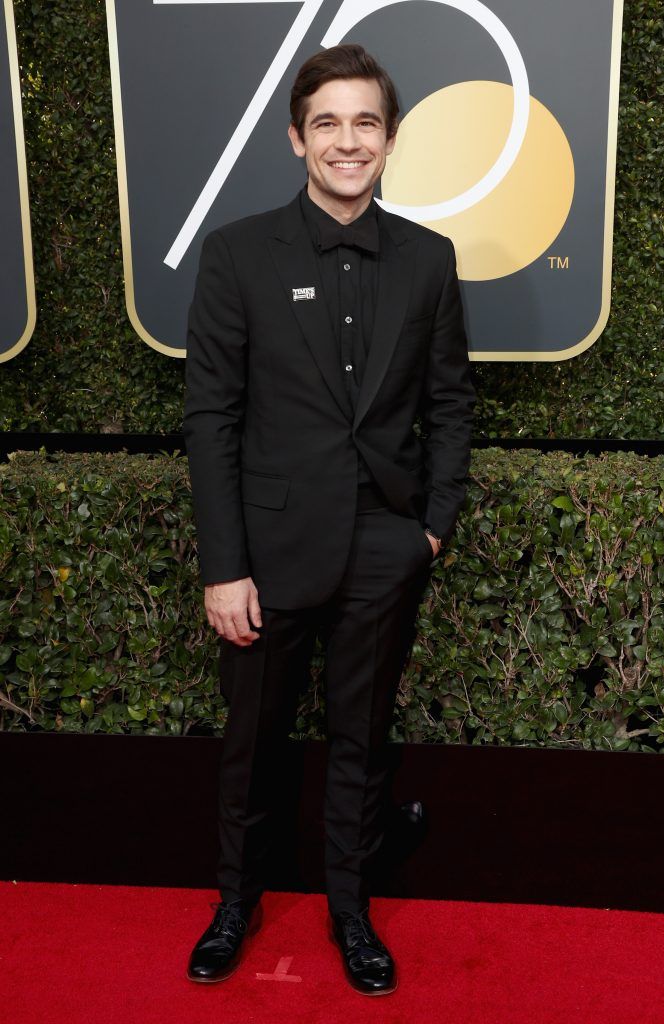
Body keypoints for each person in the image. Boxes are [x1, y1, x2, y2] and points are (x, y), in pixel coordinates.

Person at [182, 42, 475, 995]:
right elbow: (211, 418)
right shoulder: (234, 256)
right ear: (296, 138)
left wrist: (429, 526)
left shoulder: (430, 261)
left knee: (362, 738)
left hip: (384, 545)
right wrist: (223, 568)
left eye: (365, 124)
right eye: (327, 123)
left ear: (388, 141)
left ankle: (351, 911)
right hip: (266, 555)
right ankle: (238, 901)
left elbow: (450, 402)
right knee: (253, 742)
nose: (346, 142)